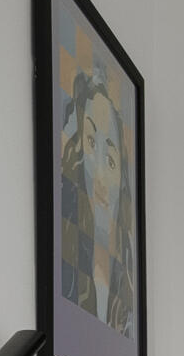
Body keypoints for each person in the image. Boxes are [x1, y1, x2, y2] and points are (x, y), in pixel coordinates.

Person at [58, 63, 137, 337]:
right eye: (91, 143)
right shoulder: (67, 276)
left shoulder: (126, 299)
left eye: (111, 160)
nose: (101, 176)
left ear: (123, 184)